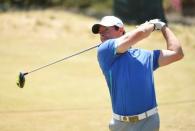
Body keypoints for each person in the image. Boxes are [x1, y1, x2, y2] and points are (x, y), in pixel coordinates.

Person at [91, 16, 184, 131]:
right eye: (100, 33)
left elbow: (177, 53)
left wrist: (164, 27)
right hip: (121, 124)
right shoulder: (105, 50)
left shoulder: (146, 55)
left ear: (120, 29)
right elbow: (140, 32)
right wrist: (154, 25)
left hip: (149, 122)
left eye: (106, 30)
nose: (102, 35)